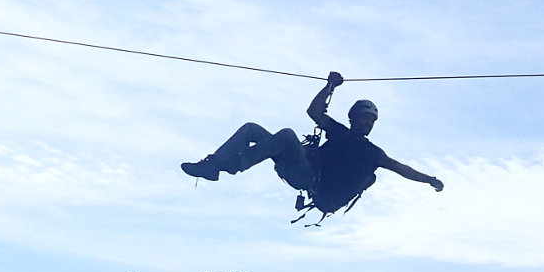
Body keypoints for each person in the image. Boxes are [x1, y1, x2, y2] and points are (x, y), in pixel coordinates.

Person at [180, 72, 443, 217]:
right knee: (252, 129)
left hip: (307, 177)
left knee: (285, 135)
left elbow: (400, 168)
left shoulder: (371, 152)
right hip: (296, 165)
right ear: (353, 119)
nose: (368, 123)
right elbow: (314, 112)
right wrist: (329, 87)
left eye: (371, 120)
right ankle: (213, 166)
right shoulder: (339, 132)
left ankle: (234, 165)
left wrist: (429, 178)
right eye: (364, 118)